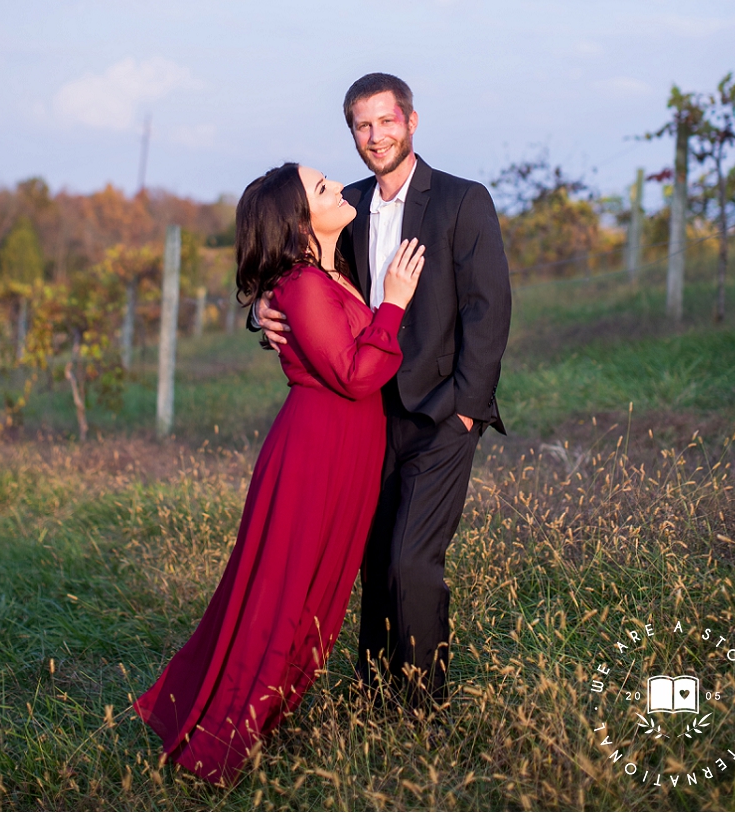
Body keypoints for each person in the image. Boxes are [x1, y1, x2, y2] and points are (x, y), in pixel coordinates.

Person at [134, 161, 425, 785]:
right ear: (298, 220)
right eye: (322, 189)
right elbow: (354, 374)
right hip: (314, 453)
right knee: (281, 592)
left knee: (317, 592)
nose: (339, 188)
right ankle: (220, 741)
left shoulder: (328, 270)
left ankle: (261, 715)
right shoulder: (301, 284)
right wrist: (395, 305)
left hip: (347, 451)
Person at [256, 73, 511, 706]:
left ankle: (422, 706)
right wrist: (259, 311)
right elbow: (296, 273)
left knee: (410, 561)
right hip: (363, 417)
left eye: (386, 121)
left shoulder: (461, 201)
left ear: (412, 121)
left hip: (440, 416)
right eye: (362, 126)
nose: (376, 136)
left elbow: (489, 310)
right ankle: (375, 697)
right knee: (372, 562)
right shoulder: (343, 206)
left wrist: (466, 415)